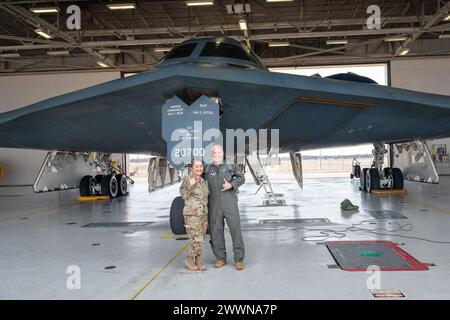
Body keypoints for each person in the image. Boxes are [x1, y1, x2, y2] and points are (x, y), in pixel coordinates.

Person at [205, 144, 246, 270]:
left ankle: (238, 259)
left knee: (235, 230)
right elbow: (199, 181)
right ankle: (221, 258)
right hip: (213, 204)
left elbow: (241, 178)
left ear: (222, 153)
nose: (216, 155)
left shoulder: (230, 166)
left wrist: (231, 185)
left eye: (218, 152)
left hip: (229, 203)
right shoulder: (207, 169)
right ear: (211, 154)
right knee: (215, 232)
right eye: (214, 153)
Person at [179, 159, 209, 271]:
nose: (199, 168)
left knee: (201, 239)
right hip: (192, 215)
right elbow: (183, 195)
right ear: (192, 168)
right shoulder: (187, 180)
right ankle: (189, 259)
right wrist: (191, 186)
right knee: (195, 239)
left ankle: (198, 261)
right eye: (196, 166)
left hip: (203, 214)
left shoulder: (202, 181)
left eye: (200, 166)